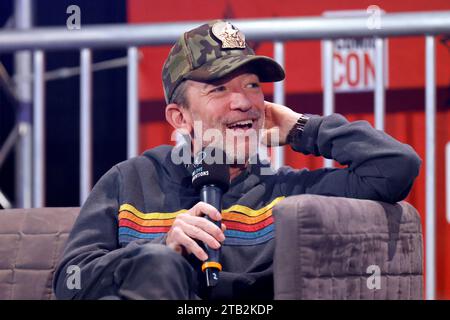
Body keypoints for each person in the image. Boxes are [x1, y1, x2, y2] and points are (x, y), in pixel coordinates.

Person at [53, 20, 421, 300]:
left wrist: (300, 128)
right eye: (219, 89)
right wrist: (157, 250)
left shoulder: (286, 191)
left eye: (252, 86)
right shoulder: (130, 180)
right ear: (179, 118)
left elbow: (395, 166)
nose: (244, 102)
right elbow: (71, 279)